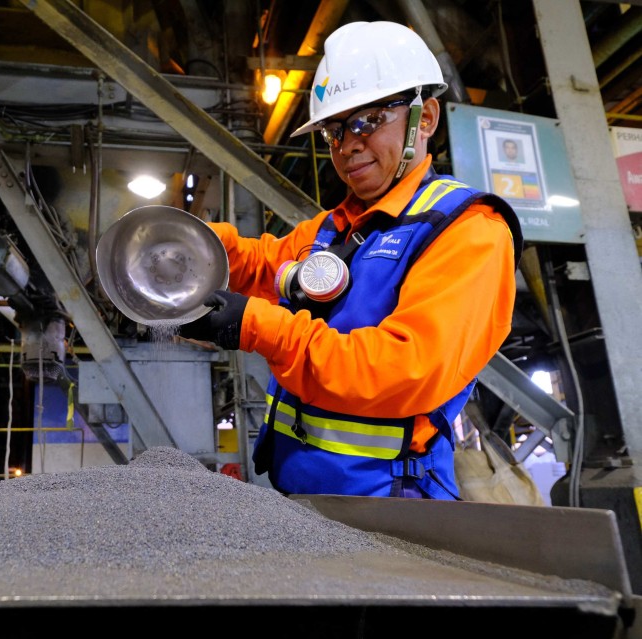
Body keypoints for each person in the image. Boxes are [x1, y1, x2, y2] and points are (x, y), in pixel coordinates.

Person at [178, 20, 523, 500]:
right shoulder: (334, 228)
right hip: (301, 498)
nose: (347, 145)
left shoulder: (469, 230)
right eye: (334, 130)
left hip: (394, 506)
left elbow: (403, 370)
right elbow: (262, 265)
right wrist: (191, 243)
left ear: (424, 119)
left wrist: (257, 327)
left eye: (367, 121)